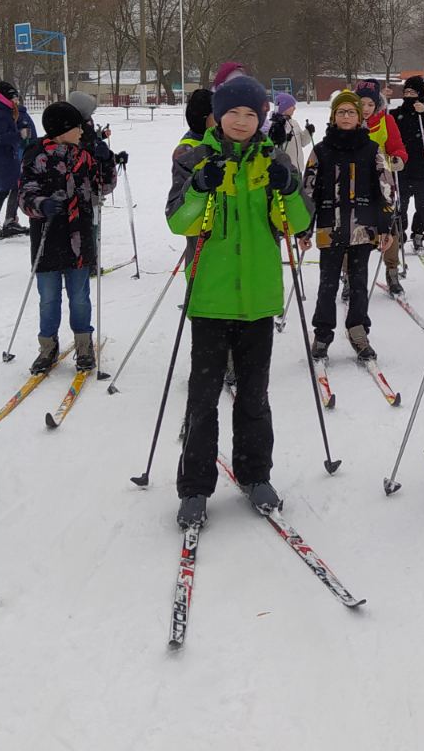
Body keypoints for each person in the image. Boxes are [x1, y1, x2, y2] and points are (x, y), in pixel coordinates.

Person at [165, 74, 311, 528]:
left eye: (251, 114)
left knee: (254, 396)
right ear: (219, 116)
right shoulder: (195, 157)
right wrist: (200, 187)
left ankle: (256, 475)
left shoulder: (270, 158)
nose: (242, 121)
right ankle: (194, 487)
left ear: (261, 117)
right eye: (234, 113)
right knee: (203, 399)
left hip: (259, 298)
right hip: (209, 296)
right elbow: (178, 221)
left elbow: (297, 224)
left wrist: (288, 188)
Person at [300, 90, 394, 362]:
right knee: (327, 285)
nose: (346, 116)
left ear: (359, 117)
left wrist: (385, 226)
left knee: (359, 283)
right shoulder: (320, 150)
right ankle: (323, 334)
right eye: (341, 112)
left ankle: (358, 330)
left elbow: (386, 189)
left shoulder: (372, 149)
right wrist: (304, 229)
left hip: (363, 228)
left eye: (351, 112)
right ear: (333, 116)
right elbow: (308, 191)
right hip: (330, 227)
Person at [18, 101, 105, 374]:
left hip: (79, 240)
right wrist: (41, 203)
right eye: (76, 126)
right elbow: (24, 194)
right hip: (48, 239)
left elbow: (103, 187)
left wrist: (108, 159)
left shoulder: (85, 156)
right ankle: (48, 346)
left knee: (80, 296)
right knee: (49, 297)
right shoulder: (37, 156)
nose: (82, 130)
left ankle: (83, 344)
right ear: (62, 130)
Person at [356, 81, 408, 290]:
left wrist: (397, 159)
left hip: (382, 184)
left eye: (370, 104)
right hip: (355, 184)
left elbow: (398, 148)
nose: (366, 109)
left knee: (389, 228)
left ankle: (392, 271)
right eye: (362, 103)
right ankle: (349, 276)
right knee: (351, 231)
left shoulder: (386, 121)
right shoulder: (348, 119)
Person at [390, 76, 424, 255]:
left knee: (421, 203)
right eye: (406, 92)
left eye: (413, 92)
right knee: (401, 202)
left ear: (420, 94)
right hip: (402, 165)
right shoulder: (396, 114)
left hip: (421, 165)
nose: (409, 96)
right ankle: (400, 233)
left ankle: (418, 234)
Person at [0, 81, 36, 239]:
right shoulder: (0, 113)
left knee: (2, 190)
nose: (16, 101)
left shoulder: (4, 111)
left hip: (2, 156)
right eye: (13, 98)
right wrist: (19, 135)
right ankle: (9, 222)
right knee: (14, 187)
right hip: (2, 157)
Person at [266, 92, 314, 171]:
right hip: (284, 169)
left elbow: (303, 142)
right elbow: (271, 149)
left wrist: (308, 132)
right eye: (292, 106)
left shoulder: (294, 123)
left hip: (298, 168)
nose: (294, 108)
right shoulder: (274, 125)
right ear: (284, 107)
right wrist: (283, 139)